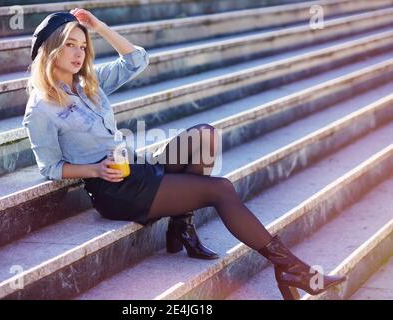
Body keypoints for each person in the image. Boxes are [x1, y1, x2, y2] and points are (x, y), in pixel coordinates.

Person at [22, 9, 346, 300]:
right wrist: (94, 171)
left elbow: (136, 60)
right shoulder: (40, 108)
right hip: (115, 191)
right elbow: (50, 167)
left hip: (137, 171)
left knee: (203, 135)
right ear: (51, 49)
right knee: (220, 189)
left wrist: (101, 26)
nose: (79, 53)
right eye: (70, 45)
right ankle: (294, 270)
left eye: (83, 46)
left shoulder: (88, 84)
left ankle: (181, 225)